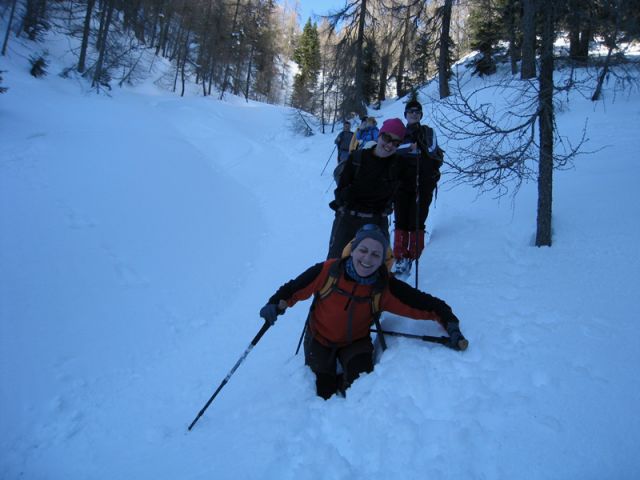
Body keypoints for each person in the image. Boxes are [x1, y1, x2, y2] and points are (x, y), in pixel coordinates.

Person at [259, 224, 467, 400]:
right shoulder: (329, 271)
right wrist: (275, 304)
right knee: (324, 392)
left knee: (359, 388)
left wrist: (450, 322)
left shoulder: (384, 287)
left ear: (382, 260)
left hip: (355, 342)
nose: (368, 259)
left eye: (376, 254)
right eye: (363, 250)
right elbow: (294, 288)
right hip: (320, 339)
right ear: (353, 249)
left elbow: (425, 304)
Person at [327, 118, 406, 260]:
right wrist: (353, 193)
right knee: (335, 265)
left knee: (378, 269)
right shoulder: (357, 158)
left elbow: (404, 194)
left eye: (396, 143)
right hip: (348, 220)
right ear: (380, 135)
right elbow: (340, 193)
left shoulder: (398, 165)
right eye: (387, 138)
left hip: (377, 222)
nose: (389, 145)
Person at [393, 100, 444, 274]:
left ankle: (415, 255)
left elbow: (431, 150)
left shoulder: (428, 132)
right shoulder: (399, 133)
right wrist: (408, 147)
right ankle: (399, 256)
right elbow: (390, 149)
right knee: (401, 218)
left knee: (417, 218)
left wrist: (416, 146)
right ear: (405, 114)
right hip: (401, 182)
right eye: (411, 111)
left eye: (417, 112)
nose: (414, 114)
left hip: (423, 182)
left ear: (421, 115)